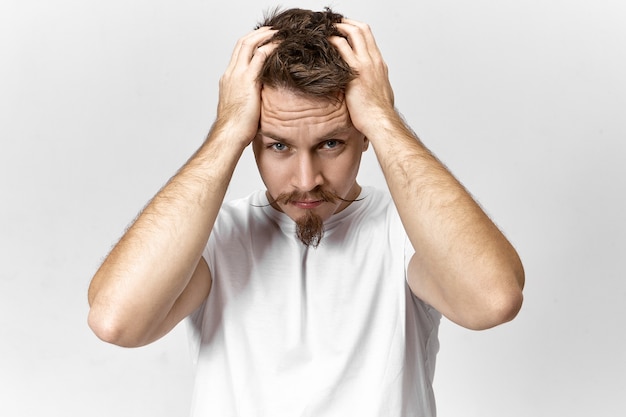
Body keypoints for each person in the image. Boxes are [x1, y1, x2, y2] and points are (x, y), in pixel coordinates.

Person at [87, 7, 525, 417]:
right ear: (251, 140)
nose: (305, 179)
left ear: (364, 135)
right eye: (278, 145)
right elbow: (115, 321)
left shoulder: (406, 231)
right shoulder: (215, 237)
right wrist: (225, 132)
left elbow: (492, 300)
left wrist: (384, 117)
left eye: (331, 143)